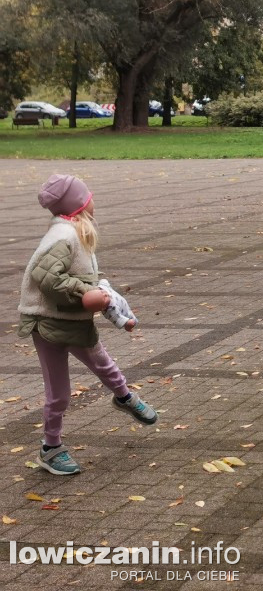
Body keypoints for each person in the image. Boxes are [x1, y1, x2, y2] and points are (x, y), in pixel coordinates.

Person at [18, 175, 157, 475]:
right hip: (48, 326)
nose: (93, 198)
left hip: (74, 322)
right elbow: (46, 277)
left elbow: (83, 272)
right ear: (77, 204)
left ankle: (125, 397)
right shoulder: (62, 237)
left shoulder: (77, 232)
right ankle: (50, 448)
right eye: (88, 195)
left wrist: (102, 291)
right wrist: (84, 294)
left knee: (104, 363)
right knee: (59, 393)